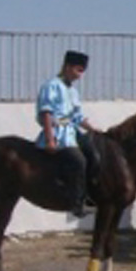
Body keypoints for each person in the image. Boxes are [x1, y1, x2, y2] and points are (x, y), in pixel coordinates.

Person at [36, 50, 97, 217]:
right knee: (78, 160)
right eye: (78, 70)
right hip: (58, 133)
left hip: (72, 131)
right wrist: (50, 140)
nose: (80, 75)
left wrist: (93, 129)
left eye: (82, 71)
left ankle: (91, 195)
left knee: (95, 152)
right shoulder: (52, 85)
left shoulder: (73, 91)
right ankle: (76, 203)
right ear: (67, 67)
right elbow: (46, 113)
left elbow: (78, 117)